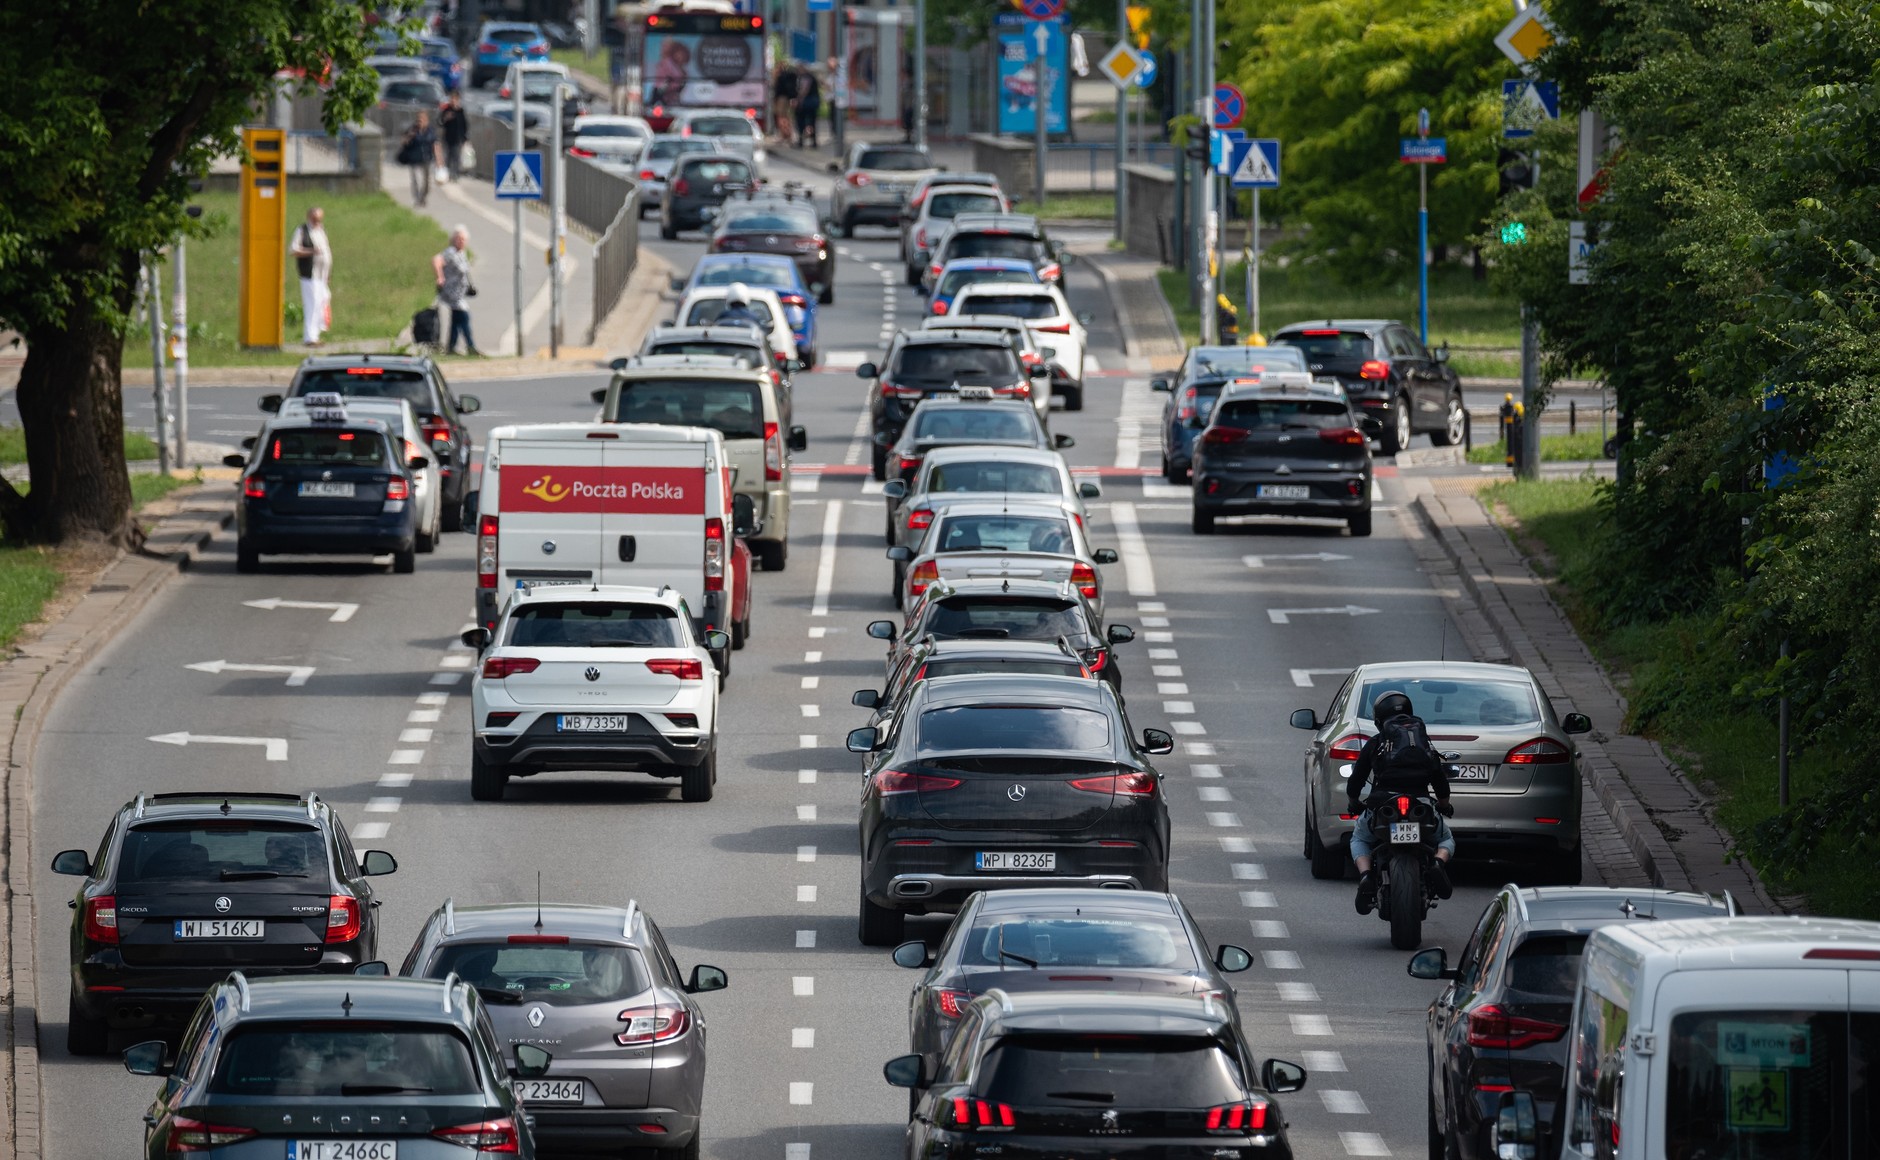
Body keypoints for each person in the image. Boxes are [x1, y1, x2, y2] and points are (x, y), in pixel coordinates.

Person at [1345, 692, 1457, 913]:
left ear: (1378, 720)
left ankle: (1366, 875)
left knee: (1359, 838)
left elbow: (1356, 779)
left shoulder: (1375, 743)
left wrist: (1353, 802)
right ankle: (1437, 863)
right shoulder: (1423, 743)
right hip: (1420, 806)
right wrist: (1444, 805)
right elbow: (1440, 782)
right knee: (1446, 838)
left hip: (1383, 806)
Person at [433, 225, 480, 356]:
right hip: (451, 292)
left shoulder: (462, 253)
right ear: (453, 239)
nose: (461, 242)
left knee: (456, 320)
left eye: (464, 239)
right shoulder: (450, 252)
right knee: (464, 317)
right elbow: (436, 260)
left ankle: (451, 347)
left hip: (459, 292)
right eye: (459, 239)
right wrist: (440, 277)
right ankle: (470, 346)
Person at [289, 206, 332, 347]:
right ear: (309, 217)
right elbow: (293, 250)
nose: (317, 221)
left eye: (319, 219)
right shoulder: (302, 231)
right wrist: (311, 251)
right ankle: (309, 337)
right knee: (312, 304)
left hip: (321, 275)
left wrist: (328, 273)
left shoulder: (321, 231)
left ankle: (316, 334)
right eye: (315, 218)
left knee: (321, 302)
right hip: (310, 275)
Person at [399, 111, 440, 207]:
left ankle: (423, 197)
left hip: (426, 158)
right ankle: (417, 199)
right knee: (416, 180)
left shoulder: (430, 131)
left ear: (427, 121)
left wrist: (439, 160)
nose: (420, 122)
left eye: (422, 120)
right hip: (414, 158)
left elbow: (435, 144)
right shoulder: (412, 130)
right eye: (418, 120)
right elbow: (403, 142)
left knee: (426, 182)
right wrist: (409, 136)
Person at [439, 93, 469, 181]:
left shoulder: (460, 111)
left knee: (456, 156)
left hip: (457, 137)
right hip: (448, 136)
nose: (453, 101)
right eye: (452, 99)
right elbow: (440, 122)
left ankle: (455, 174)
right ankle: (448, 173)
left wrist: (465, 137)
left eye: (455, 99)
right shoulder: (447, 110)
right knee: (448, 156)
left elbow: (464, 124)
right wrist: (446, 118)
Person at [772, 64, 799, 146]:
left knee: (782, 117)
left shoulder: (781, 78)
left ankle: (786, 135)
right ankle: (787, 135)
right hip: (786, 98)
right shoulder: (790, 77)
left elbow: (778, 89)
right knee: (786, 117)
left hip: (782, 98)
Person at [795, 66, 821, 149]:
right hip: (812, 104)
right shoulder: (811, 77)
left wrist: (798, 100)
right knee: (811, 122)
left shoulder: (805, 78)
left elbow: (804, 91)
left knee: (802, 123)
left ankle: (801, 141)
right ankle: (813, 142)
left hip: (806, 104)